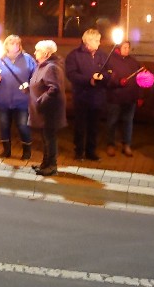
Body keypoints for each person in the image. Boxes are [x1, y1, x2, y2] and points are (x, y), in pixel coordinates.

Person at [0, 34, 36, 160]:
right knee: (4, 125)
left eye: (17, 43)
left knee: (23, 125)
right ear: (6, 45)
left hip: (22, 100)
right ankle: (6, 150)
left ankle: (27, 151)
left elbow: (36, 75)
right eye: (12, 43)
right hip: (3, 99)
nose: (15, 46)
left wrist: (30, 86)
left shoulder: (27, 59)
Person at [65, 27, 109, 161]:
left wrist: (103, 77)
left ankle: (91, 151)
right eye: (96, 40)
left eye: (99, 40)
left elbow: (109, 72)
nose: (99, 43)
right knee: (80, 126)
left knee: (94, 126)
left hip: (97, 97)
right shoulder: (74, 55)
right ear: (87, 42)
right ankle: (79, 151)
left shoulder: (102, 55)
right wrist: (89, 79)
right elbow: (71, 74)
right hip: (82, 97)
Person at [28, 39, 66, 177]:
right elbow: (39, 83)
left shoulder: (51, 67)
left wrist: (40, 101)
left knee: (50, 138)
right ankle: (45, 163)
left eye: (37, 50)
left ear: (46, 53)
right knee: (45, 138)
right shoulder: (42, 65)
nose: (35, 52)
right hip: (42, 111)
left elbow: (54, 88)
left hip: (49, 111)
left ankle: (52, 166)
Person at [103, 40, 145, 157]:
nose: (127, 50)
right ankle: (110, 144)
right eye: (125, 47)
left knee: (128, 122)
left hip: (129, 98)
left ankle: (127, 144)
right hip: (115, 98)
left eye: (128, 47)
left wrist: (140, 96)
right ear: (118, 48)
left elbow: (139, 79)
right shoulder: (110, 60)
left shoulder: (133, 62)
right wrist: (117, 81)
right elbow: (106, 78)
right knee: (112, 121)